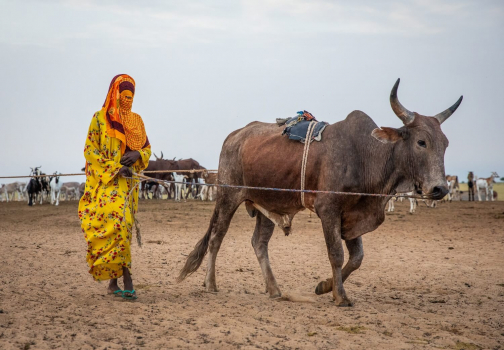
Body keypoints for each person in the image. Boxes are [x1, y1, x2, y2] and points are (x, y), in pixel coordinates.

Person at [78, 74, 151, 300]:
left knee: (124, 231)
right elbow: (91, 152)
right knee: (119, 223)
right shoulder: (100, 119)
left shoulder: (137, 121)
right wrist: (115, 168)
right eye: (123, 96)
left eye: (131, 96)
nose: (127, 100)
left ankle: (113, 283)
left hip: (129, 187)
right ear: (114, 94)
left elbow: (147, 149)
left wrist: (138, 153)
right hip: (105, 183)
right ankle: (127, 279)